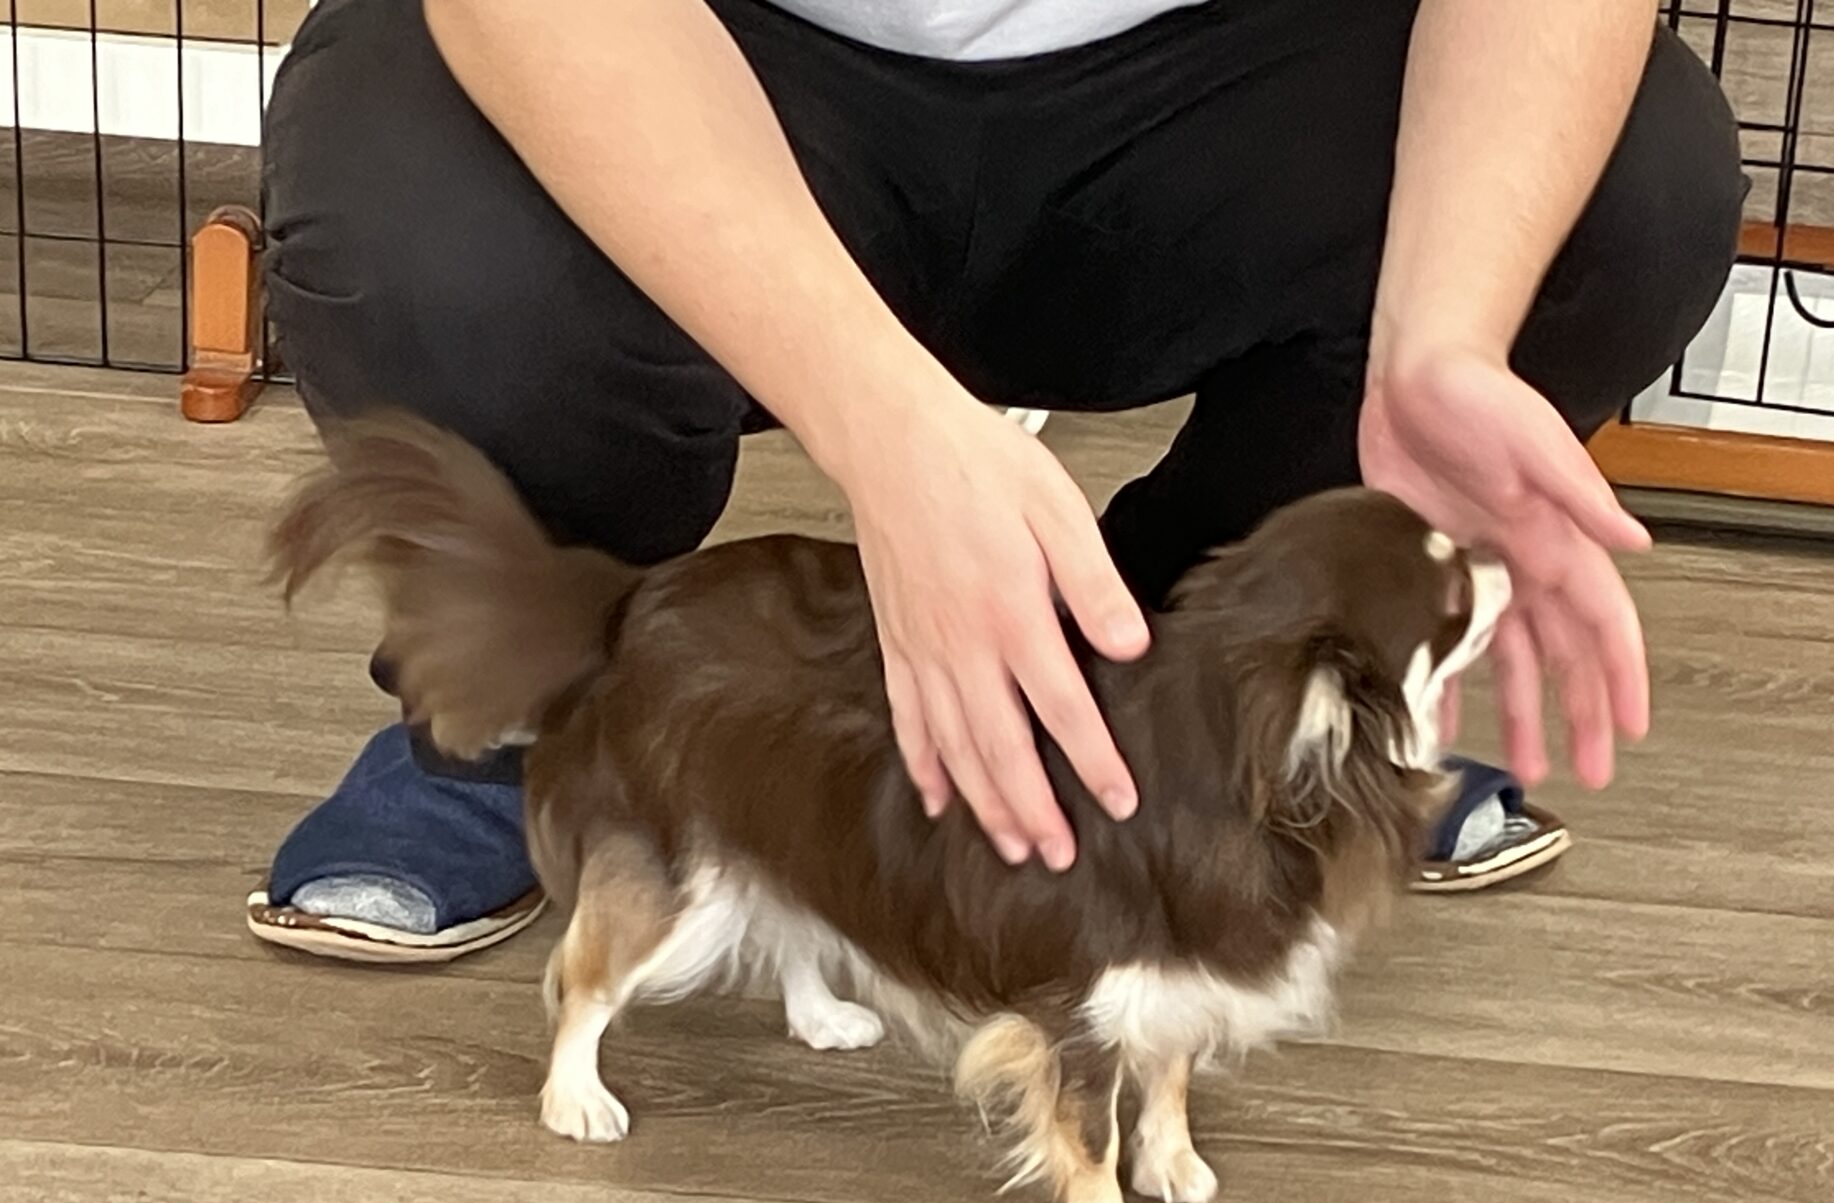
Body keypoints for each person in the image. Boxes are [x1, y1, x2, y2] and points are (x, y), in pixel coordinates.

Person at [248, 0, 1744, 962]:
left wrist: (1447, 333)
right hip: (709, 49)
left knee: (1622, 189)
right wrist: (884, 420)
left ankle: (1217, 702)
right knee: (433, 247)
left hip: (1232, 64)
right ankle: (537, 717)